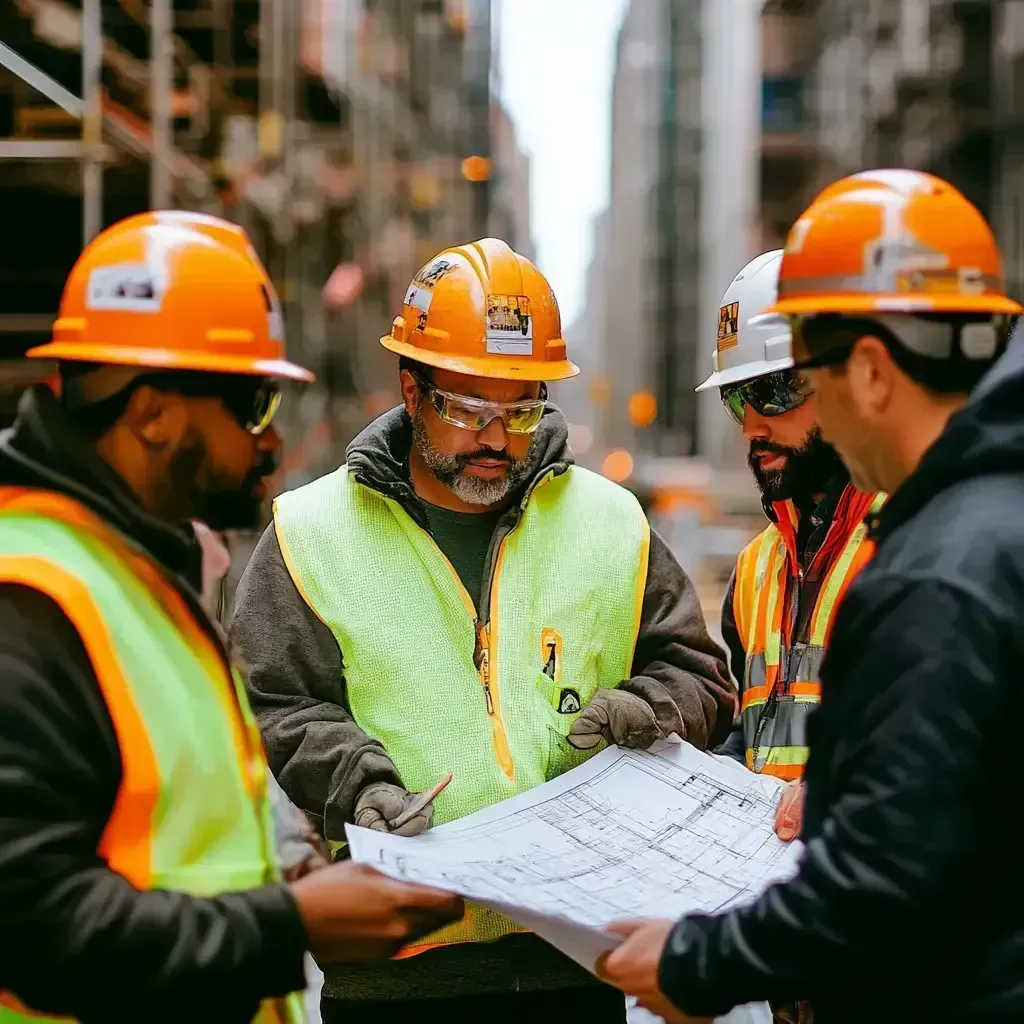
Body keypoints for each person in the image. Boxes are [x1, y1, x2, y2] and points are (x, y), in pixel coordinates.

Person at [230, 237, 734, 1024]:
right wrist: (357, 785)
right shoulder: (311, 532)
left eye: (522, 410)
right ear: (410, 389)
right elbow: (270, 706)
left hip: (580, 959)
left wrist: (651, 708)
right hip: (398, 970)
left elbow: (700, 677)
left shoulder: (612, 524)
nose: (496, 438)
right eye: (467, 409)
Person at [0, 212, 463, 1024]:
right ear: (151, 413)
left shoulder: (132, 568)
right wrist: (291, 925)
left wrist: (286, 880)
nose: (273, 442)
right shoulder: (27, 603)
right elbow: (32, 926)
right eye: (253, 404)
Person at [597, 168, 1024, 1024]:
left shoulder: (933, 572)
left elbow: (889, 881)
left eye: (796, 382)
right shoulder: (977, 523)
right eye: (740, 400)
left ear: (869, 371)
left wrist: (694, 963)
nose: (759, 422)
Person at [697, 250, 884, 855]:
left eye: (772, 391)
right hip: (767, 897)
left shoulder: (908, 546)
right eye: (734, 399)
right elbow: (759, 741)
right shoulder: (755, 572)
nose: (751, 426)